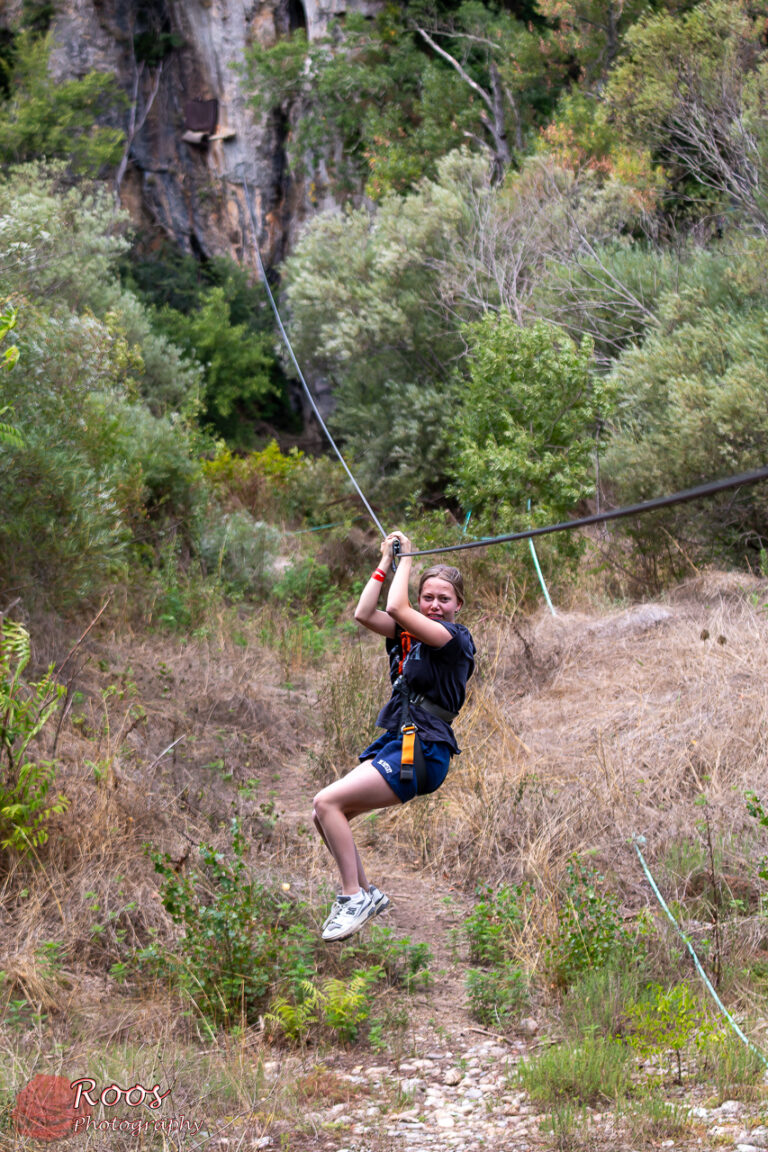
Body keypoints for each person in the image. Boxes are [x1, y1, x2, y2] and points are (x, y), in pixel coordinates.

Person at [312, 530, 476, 942]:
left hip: (425, 750)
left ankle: (352, 897)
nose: (435, 605)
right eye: (428, 598)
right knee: (324, 816)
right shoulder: (406, 634)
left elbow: (396, 607)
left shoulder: (454, 640)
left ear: (458, 605)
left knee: (327, 802)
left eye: (444, 599)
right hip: (399, 741)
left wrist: (409, 559)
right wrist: (386, 560)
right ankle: (366, 893)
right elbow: (365, 612)